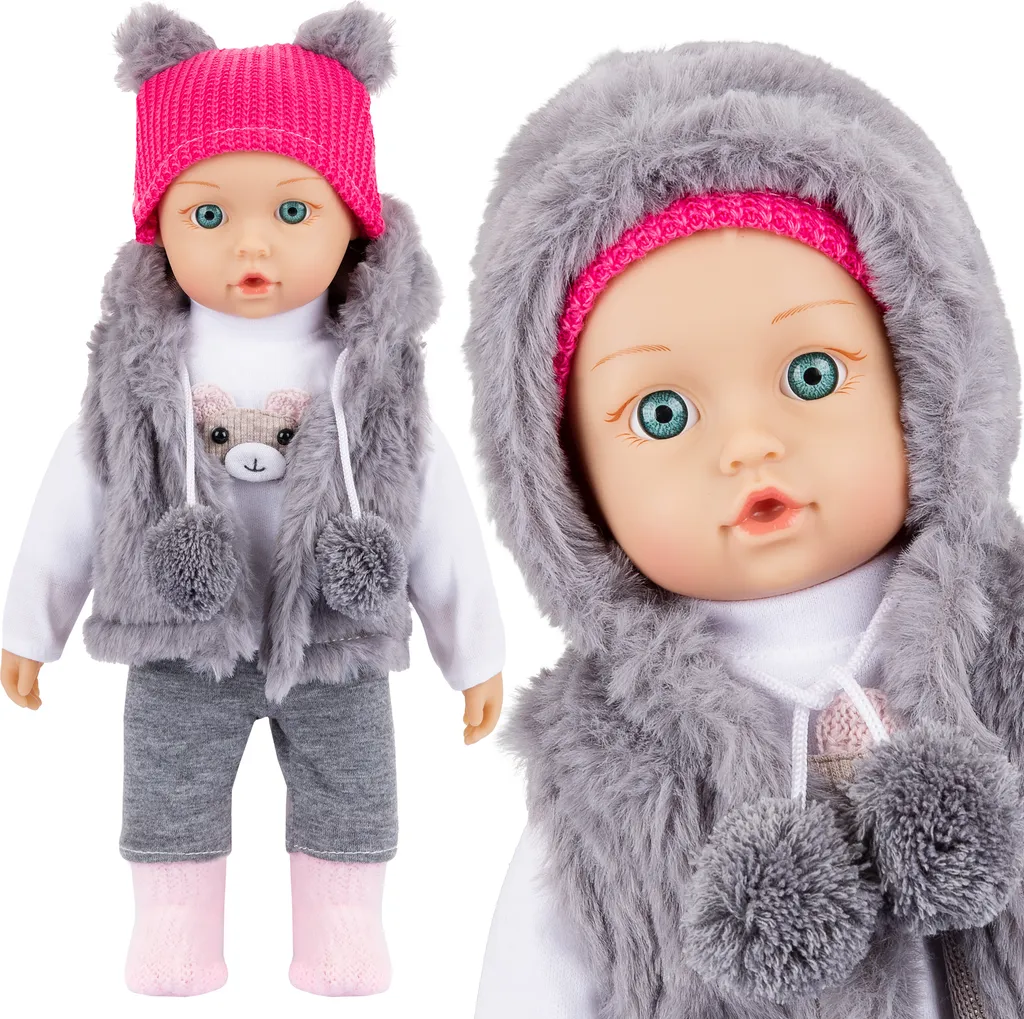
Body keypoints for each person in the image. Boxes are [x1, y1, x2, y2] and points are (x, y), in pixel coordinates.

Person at [466, 40, 1023, 1019]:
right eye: (663, 415)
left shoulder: (1004, 655)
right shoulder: (604, 771)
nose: (750, 444)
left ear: (925, 381)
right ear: (567, 481)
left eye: (812, 374)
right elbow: (533, 980)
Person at [1, 2, 504, 998]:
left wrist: (472, 649)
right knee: (169, 787)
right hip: (179, 630)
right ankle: (173, 936)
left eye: (292, 211)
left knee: (350, 790)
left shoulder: (372, 367)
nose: (250, 247)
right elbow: (83, 483)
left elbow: (431, 500)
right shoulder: (141, 366)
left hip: (336, 630)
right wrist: (31, 624)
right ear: (158, 224)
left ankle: (343, 936)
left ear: (352, 218)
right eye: (208, 215)